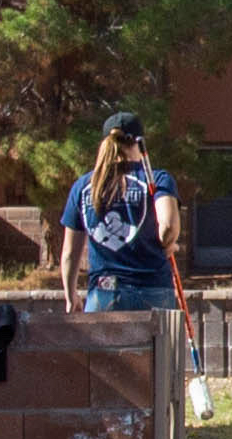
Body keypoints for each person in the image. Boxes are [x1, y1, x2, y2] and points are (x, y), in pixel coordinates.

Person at [55, 114, 183, 314]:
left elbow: (70, 252)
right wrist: (170, 244)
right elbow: (167, 227)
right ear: (140, 144)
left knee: (102, 346)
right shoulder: (157, 179)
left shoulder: (83, 187)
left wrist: (71, 296)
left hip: (103, 292)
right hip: (152, 288)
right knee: (156, 346)